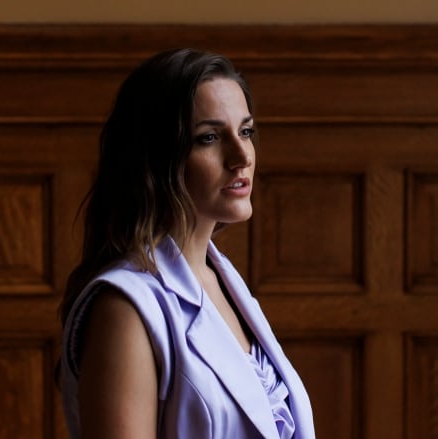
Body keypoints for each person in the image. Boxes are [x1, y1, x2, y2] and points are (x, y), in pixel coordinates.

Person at [58, 48, 315, 438]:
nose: (241, 155)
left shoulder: (222, 279)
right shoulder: (125, 308)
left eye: (245, 131)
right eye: (209, 137)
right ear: (156, 158)